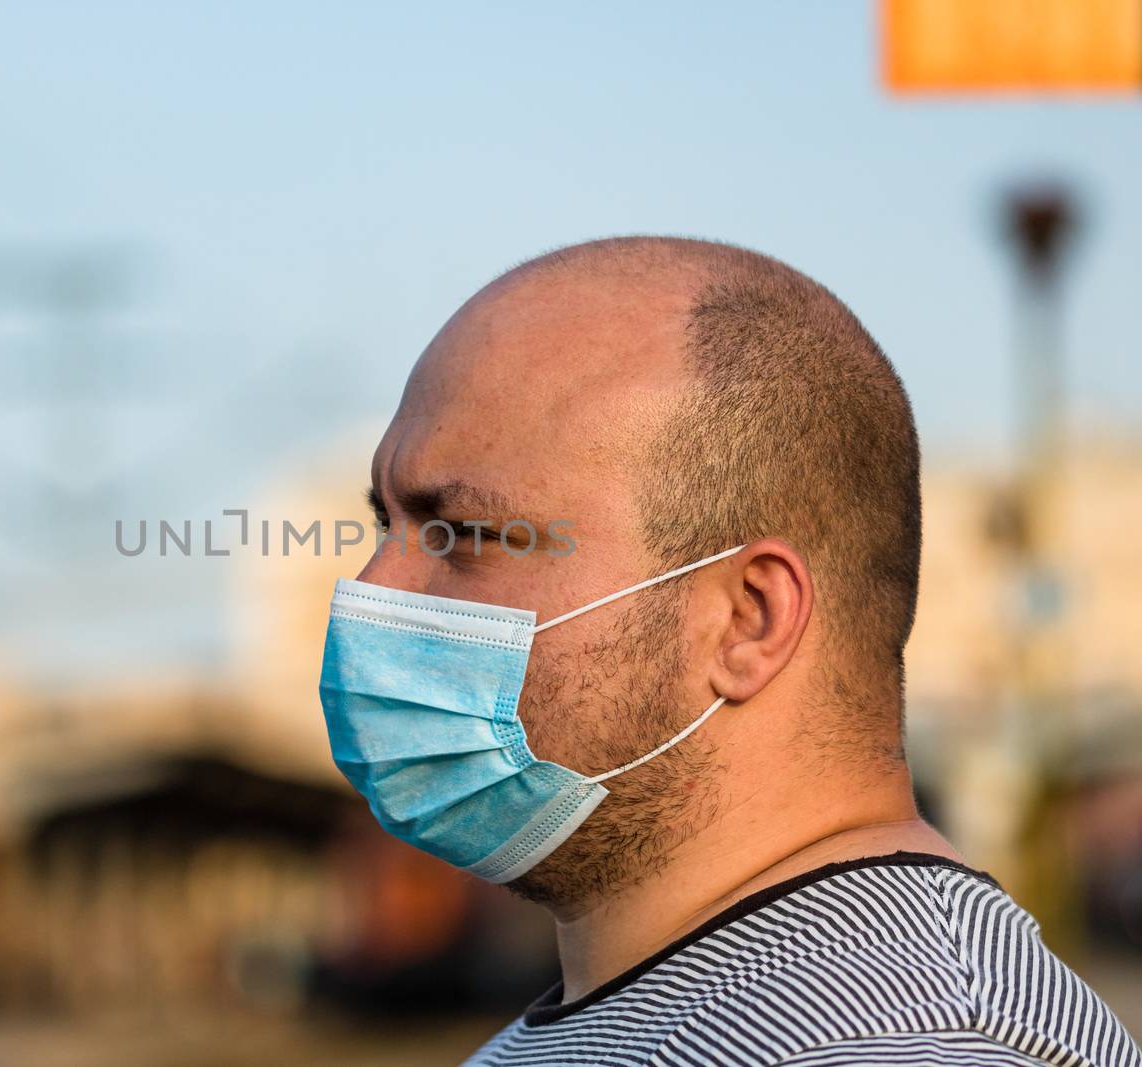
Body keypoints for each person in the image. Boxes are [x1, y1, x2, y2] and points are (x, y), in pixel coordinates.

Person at [317, 237, 1141, 1066]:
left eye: (463, 533)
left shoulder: (905, 1046)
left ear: (748, 620)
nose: (375, 589)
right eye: (389, 524)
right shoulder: (692, 1011)